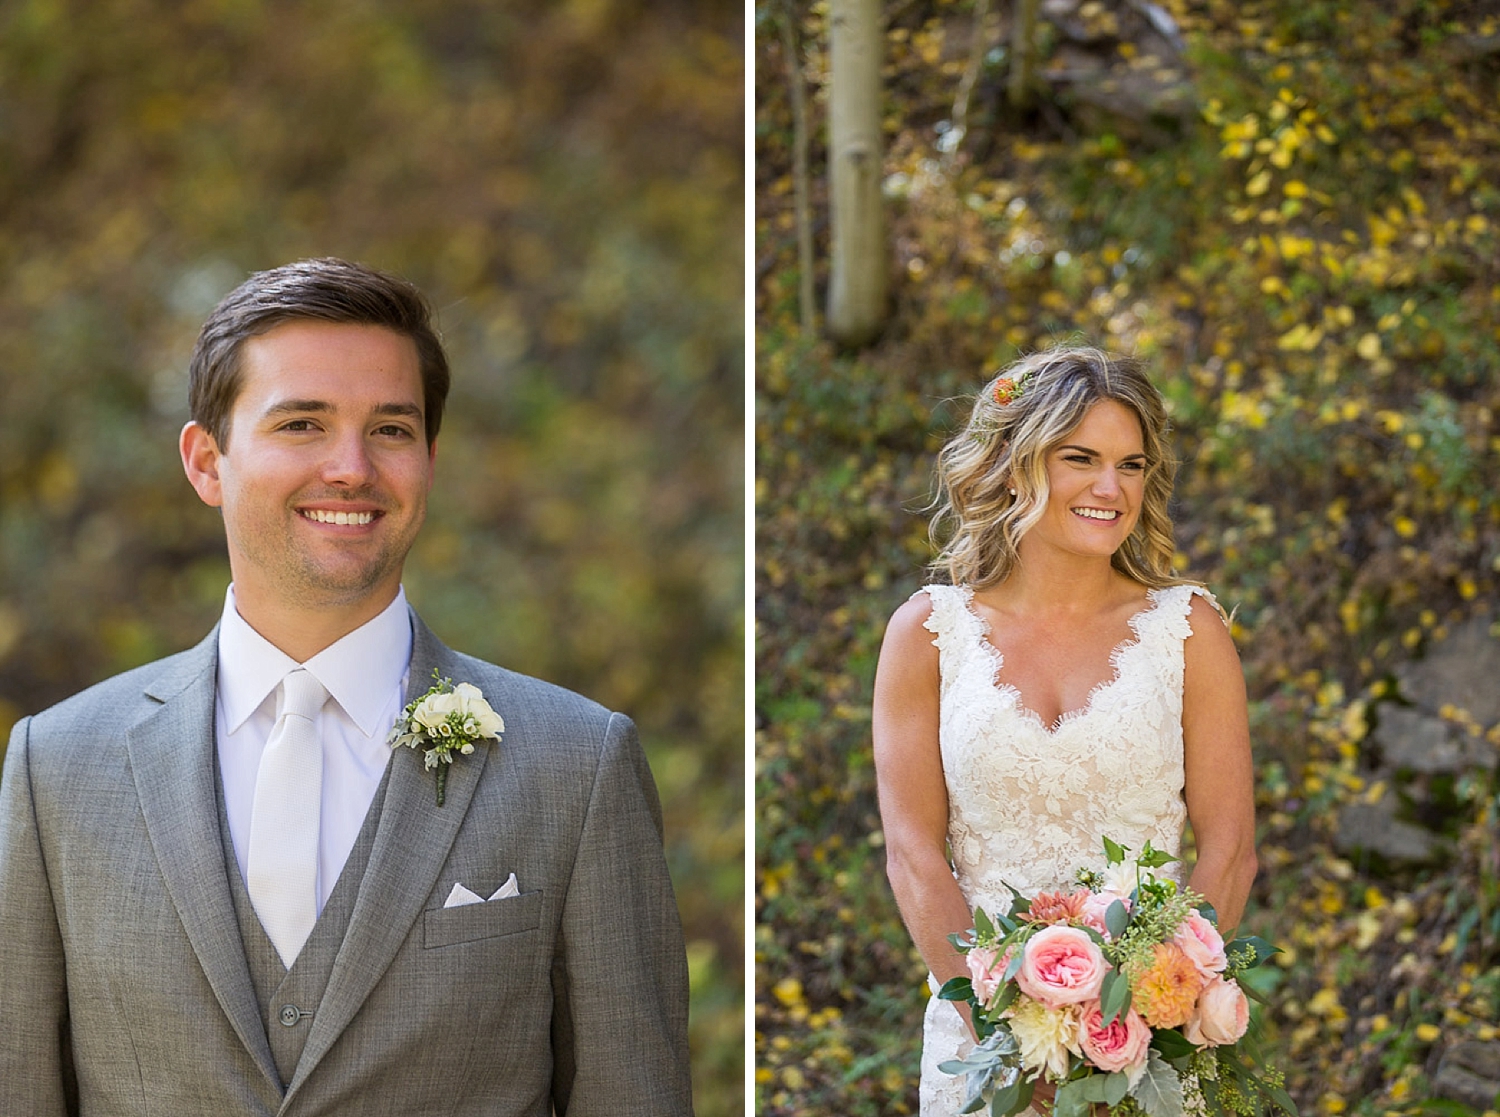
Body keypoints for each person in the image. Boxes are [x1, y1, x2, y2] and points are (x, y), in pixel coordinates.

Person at [0, 257, 694, 1116]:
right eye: (301, 423)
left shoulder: (577, 763)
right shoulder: (56, 767)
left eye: (391, 430)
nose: (352, 468)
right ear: (207, 461)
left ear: (429, 460)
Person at [872, 347, 1257, 1115]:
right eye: (1080, 458)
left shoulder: (1187, 631)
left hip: (1152, 1048)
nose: (1110, 488)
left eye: (1131, 464)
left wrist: (1149, 1016)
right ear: (1017, 465)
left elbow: (1231, 851)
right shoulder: (927, 633)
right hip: (977, 1042)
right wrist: (1004, 1034)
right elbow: (914, 857)